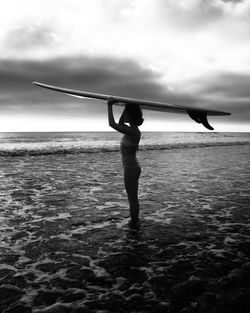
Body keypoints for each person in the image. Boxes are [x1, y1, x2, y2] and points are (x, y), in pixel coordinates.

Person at [107, 98, 144, 228]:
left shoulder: (133, 131)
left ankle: (134, 224)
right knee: (133, 198)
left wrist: (109, 105)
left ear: (131, 116)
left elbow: (112, 123)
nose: (125, 117)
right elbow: (120, 122)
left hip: (131, 169)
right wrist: (126, 106)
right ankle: (135, 221)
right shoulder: (130, 129)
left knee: (132, 199)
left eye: (127, 113)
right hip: (132, 167)